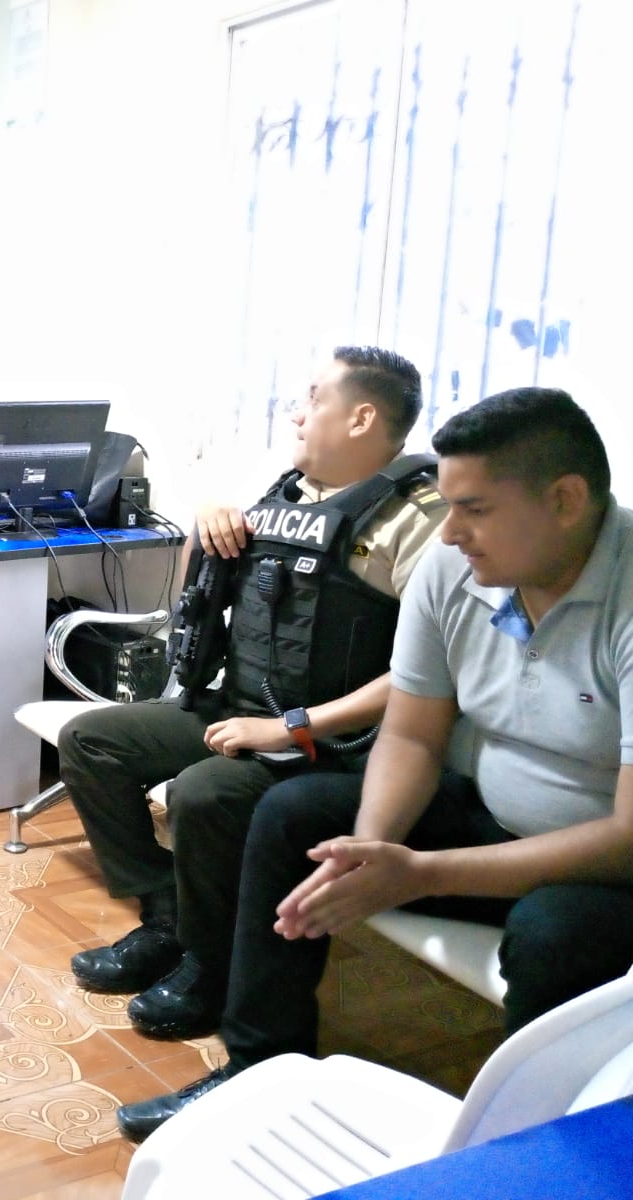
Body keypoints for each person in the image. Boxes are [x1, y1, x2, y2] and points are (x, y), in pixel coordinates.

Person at [117, 387, 633, 1143]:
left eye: (474, 509)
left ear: (565, 500)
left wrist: (419, 873)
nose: (449, 532)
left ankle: (526, 1147)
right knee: (294, 817)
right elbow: (414, 736)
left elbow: (626, 837)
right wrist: (370, 849)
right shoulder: (457, 568)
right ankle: (258, 1070)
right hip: (493, 817)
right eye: (448, 505)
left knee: (555, 933)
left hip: (607, 866)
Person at [60, 348, 448, 1044]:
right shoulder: (289, 493)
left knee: (204, 794)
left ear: (361, 418)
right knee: (92, 742)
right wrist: (208, 523)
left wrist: (294, 726)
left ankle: (211, 969)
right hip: (241, 705)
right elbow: (200, 595)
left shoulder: (420, 521)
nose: (296, 414)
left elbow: (431, 673)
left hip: (336, 741)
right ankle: (170, 921)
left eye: (313, 399)